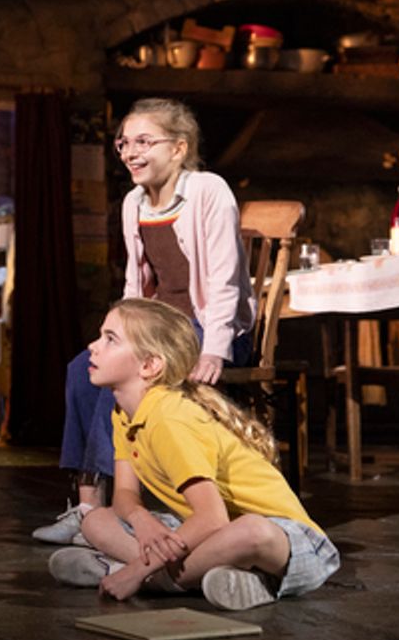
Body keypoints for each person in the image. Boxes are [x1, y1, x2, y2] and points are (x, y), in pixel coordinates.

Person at [33, 98, 255, 545]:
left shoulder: (208, 191)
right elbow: (136, 286)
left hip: (212, 328)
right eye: (124, 144)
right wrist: (113, 335)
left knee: (121, 368)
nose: (130, 153)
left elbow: (226, 282)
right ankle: (87, 506)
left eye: (143, 142)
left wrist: (215, 349)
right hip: (159, 329)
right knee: (83, 368)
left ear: (178, 147)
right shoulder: (134, 202)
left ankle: (115, 509)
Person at [47, 298, 339, 610]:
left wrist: (138, 570)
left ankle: (137, 575)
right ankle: (220, 578)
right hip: (212, 533)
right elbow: (124, 495)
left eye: (110, 339)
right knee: (95, 520)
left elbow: (213, 518)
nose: (93, 346)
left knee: (254, 532)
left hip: (286, 541)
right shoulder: (124, 413)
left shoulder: (170, 418)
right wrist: (141, 520)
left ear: (149, 366)